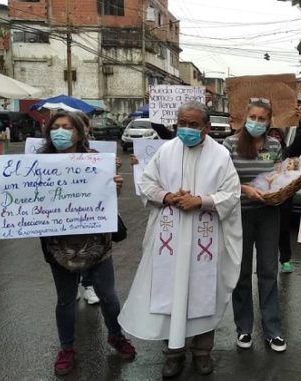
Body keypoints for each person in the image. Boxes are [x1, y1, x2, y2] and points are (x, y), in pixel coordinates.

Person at [0, 111, 135, 375]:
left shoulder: (96, 161)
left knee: (108, 296)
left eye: (67, 127)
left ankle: (116, 335)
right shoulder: (35, 163)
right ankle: (67, 348)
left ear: (78, 131)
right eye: (55, 127)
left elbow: (107, 196)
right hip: (58, 246)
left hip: (97, 242)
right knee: (65, 300)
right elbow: (18, 194)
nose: (60, 132)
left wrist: (116, 187)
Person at [118, 101, 242, 378]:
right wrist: (168, 196)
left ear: (207, 127)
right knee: (169, 293)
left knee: (202, 293)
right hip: (169, 240)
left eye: (193, 125)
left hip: (204, 239)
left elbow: (232, 195)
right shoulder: (166, 150)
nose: (186, 129)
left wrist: (201, 200)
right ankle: (172, 353)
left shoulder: (220, 155)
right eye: (181, 123)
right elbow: (147, 184)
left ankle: (202, 352)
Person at [223, 99, 287, 353]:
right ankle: (244, 328)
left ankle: (272, 330)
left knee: (269, 272)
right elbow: (221, 181)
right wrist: (244, 189)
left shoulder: (274, 145)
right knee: (241, 273)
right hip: (238, 214)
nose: (257, 122)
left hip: (269, 214)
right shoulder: (229, 144)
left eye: (263, 119)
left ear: (269, 121)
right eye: (253, 117)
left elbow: (282, 175)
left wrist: (282, 185)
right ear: (244, 117)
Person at [265, 106, 301, 274]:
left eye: (278, 135)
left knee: (283, 230)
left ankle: (285, 260)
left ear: (282, 139)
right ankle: (266, 262)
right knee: (264, 232)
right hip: (262, 198)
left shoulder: (288, 153)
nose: (275, 137)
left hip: (283, 199)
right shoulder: (259, 152)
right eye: (272, 135)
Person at [73, 111, 100, 305]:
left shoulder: (95, 155)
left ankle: (88, 285)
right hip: (64, 213)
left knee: (88, 249)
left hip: (88, 211)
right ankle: (74, 284)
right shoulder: (50, 156)